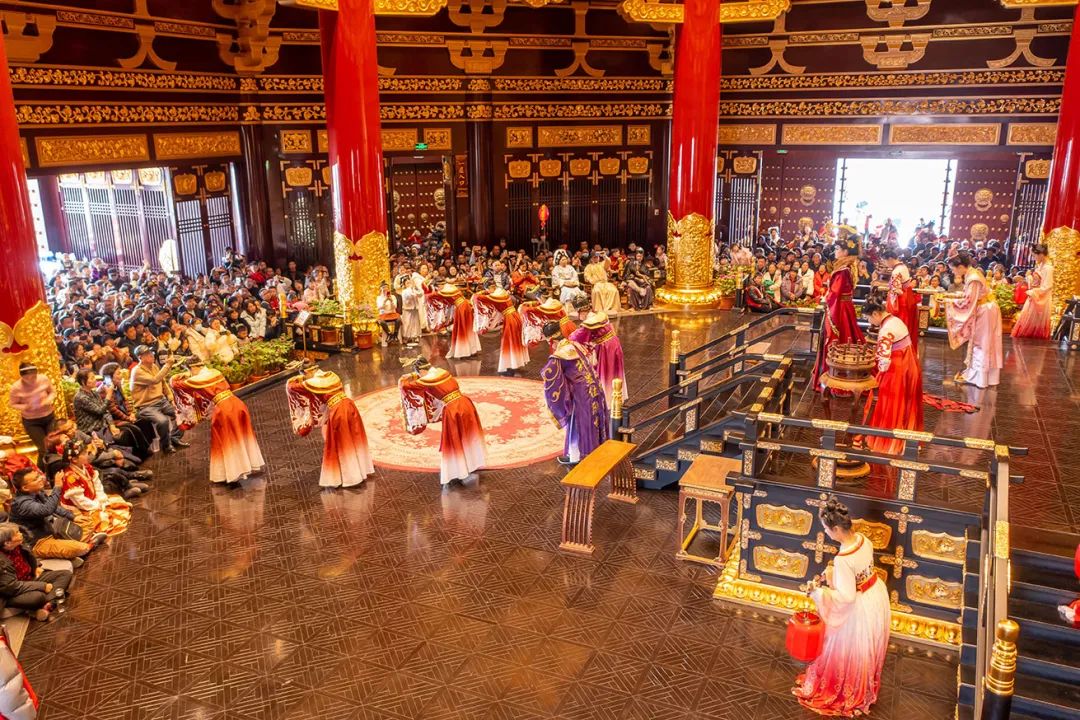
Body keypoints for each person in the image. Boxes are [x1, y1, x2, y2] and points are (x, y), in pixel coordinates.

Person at [793, 497, 890, 716]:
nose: (826, 532)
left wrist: (818, 592)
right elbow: (859, 572)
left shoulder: (843, 559)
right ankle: (863, 686)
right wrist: (833, 574)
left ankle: (847, 691)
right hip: (876, 595)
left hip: (859, 608)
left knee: (845, 652)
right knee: (866, 652)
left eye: (827, 529)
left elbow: (847, 597)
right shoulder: (863, 540)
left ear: (836, 529)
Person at [170, 365, 265, 486]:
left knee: (226, 440)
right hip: (237, 404)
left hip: (224, 410)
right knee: (242, 435)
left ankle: (233, 472)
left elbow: (175, 384)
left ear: (193, 367)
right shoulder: (215, 372)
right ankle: (248, 464)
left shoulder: (199, 379)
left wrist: (177, 376)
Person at [399, 358, 486, 485]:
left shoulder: (427, 380)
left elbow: (406, 386)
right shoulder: (441, 372)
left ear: (421, 371)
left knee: (454, 440)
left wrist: (406, 378)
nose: (419, 377)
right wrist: (415, 374)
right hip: (465, 403)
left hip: (453, 410)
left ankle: (459, 470)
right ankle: (472, 462)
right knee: (468, 436)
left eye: (418, 374)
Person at [286, 369, 373, 488]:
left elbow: (292, 387)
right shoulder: (331, 376)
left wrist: (298, 378)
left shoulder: (314, 383)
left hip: (338, 412)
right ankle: (361, 470)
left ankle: (351, 477)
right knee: (354, 438)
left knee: (342, 443)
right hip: (349, 406)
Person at [541, 322, 609, 466]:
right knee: (591, 422)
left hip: (580, 394)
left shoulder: (558, 356)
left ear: (551, 341)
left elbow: (549, 375)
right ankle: (591, 452)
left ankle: (578, 456)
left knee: (578, 425)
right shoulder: (576, 345)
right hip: (594, 386)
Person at [861, 300, 924, 455]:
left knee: (887, 401)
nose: (870, 323)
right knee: (905, 401)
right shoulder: (896, 320)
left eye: (869, 318)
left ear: (875, 314)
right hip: (909, 364)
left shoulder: (886, 330)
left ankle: (887, 440)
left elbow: (883, 362)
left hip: (896, 369)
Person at [9, 467, 106, 561]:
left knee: (87, 521)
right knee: (81, 548)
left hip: (52, 531)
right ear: (25, 487)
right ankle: (88, 545)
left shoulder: (37, 492)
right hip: (38, 542)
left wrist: (73, 517)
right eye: (35, 479)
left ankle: (68, 551)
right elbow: (47, 510)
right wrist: (57, 487)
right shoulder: (21, 503)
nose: (40, 479)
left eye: (38, 476)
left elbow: (54, 507)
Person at [811, 239, 865, 392]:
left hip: (839, 308)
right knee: (848, 335)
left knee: (836, 338)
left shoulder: (842, 270)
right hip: (846, 306)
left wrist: (826, 298)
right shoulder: (849, 266)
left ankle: (834, 376)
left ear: (845, 252)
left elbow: (835, 292)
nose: (835, 251)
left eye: (837, 249)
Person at [944, 254, 1003, 388]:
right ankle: (982, 376)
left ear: (960, 267)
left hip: (984, 310)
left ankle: (979, 378)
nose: (953, 272)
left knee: (981, 342)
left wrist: (949, 302)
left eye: (953, 269)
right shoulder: (972, 274)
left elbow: (968, 301)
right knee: (985, 342)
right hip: (985, 308)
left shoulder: (973, 278)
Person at [57, 439, 132, 537]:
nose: (88, 454)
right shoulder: (70, 477)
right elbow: (80, 501)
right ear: (74, 459)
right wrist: (96, 505)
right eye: (84, 453)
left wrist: (101, 498)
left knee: (111, 502)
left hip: (92, 498)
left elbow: (96, 484)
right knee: (103, 518)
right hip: (79, 507)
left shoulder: (86, 466)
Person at [0, 523, 72, 623]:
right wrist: (42, 586)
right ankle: (51, 601)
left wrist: (36, 566)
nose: (21, 534)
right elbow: (11, 587)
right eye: (17, 533)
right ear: (7, 543)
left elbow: (30, 556)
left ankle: (48, 605)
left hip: (30, 577)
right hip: (13, 592)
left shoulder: (18, 544)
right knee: (38, 597)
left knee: (65, 574)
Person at [129, 346, 189, 453]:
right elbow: (155, 380)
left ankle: (174, 438)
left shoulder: (153, 366)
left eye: (151, 352)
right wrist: (168, 364)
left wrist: (170, 397)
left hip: (161, 401)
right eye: (147, 354)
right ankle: (166, 446)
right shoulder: (136, 371)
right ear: (140, 357)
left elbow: (162, 382)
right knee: (163, 421)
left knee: (183, 411)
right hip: (146, 406)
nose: (151, 355)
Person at [570, 312, 627, 407]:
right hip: (614, 344)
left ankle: (607, 399)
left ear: (581, 311)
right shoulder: (597, 315)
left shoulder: (589, 323)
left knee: (607, 372)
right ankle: (619, 395)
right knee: (616, 370)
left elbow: (575, 337)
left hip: (606, 349)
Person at [473, 285, 530, 375]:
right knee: (514, 342)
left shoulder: (498, 295)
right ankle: (513, 364)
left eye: (488, 289)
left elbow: (477, 297)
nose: (489, 292)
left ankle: (509, 367)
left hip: (510, 319)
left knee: (509, 343)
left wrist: (483, 292)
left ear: (491, 287)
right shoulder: (501, 292)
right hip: (514, 316)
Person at [8, 363, 56, 458]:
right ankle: (44, 467)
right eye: (27, 378)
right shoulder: (16, 387)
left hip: (49, 417)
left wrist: (48, 400)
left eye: (33, 377)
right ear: (22, 376)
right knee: (43, 449)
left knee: (53, 445)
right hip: (31, 421)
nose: (31, 380)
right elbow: (12, 404)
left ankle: (56, 465)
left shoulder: (43, 379)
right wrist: (26, 406)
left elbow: (52, 392)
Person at [425, 283, 482, 359]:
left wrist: (427, 295)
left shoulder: (447, 289)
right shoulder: (450, 288)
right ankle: (471, 350)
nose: (439, 287)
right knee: (468, 329)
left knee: (462, 330)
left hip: (462, 308)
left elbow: (432, 296)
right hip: (463, 306)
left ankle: (465, 352)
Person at [1011, 243, 1054, 340]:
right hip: (1035, 295)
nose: (1034, 258)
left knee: (1035, 323)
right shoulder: (1040, 266)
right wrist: (1029, 277)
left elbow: (1047, 286)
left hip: (1040, 297)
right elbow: (1036, 282)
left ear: (1041, 254)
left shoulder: (1048, 268)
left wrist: (1033, 292)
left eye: (1034, 256)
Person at [881, 250, 921, 351]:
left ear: (890, 259)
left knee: (899, 324)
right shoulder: (903, 266)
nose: (885, 264)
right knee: (907, 325)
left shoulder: (896, 271)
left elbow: (897, 290)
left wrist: (891, 293)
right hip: (908, 297)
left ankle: (899, 349)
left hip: (901, 301)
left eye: (885, 261)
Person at [398, 275, 422, 347]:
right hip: (408, 309)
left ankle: (415, 336)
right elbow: (408, 297)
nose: (409, 284)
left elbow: (420, 294)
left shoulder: (414, 289)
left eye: (410, 282)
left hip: (415, 308)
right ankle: (406, 336)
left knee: (415, 323)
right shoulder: (404, 291)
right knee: (407, 323)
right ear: (405, 284)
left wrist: (416, 288)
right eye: (407, 283)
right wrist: (412, 290)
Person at [376, 282, 400, 346]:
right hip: (384, 314)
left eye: (387, 287)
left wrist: (391, 301)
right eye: (384, 288)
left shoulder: (393, 297)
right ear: (381, 289)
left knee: (398, 320)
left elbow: (395, 307)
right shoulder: (379, 297)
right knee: (382, 322)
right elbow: (379, 307)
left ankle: (395, 335)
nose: (385, 289)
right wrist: (385, 301)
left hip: (392, 313)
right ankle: (389, 334)